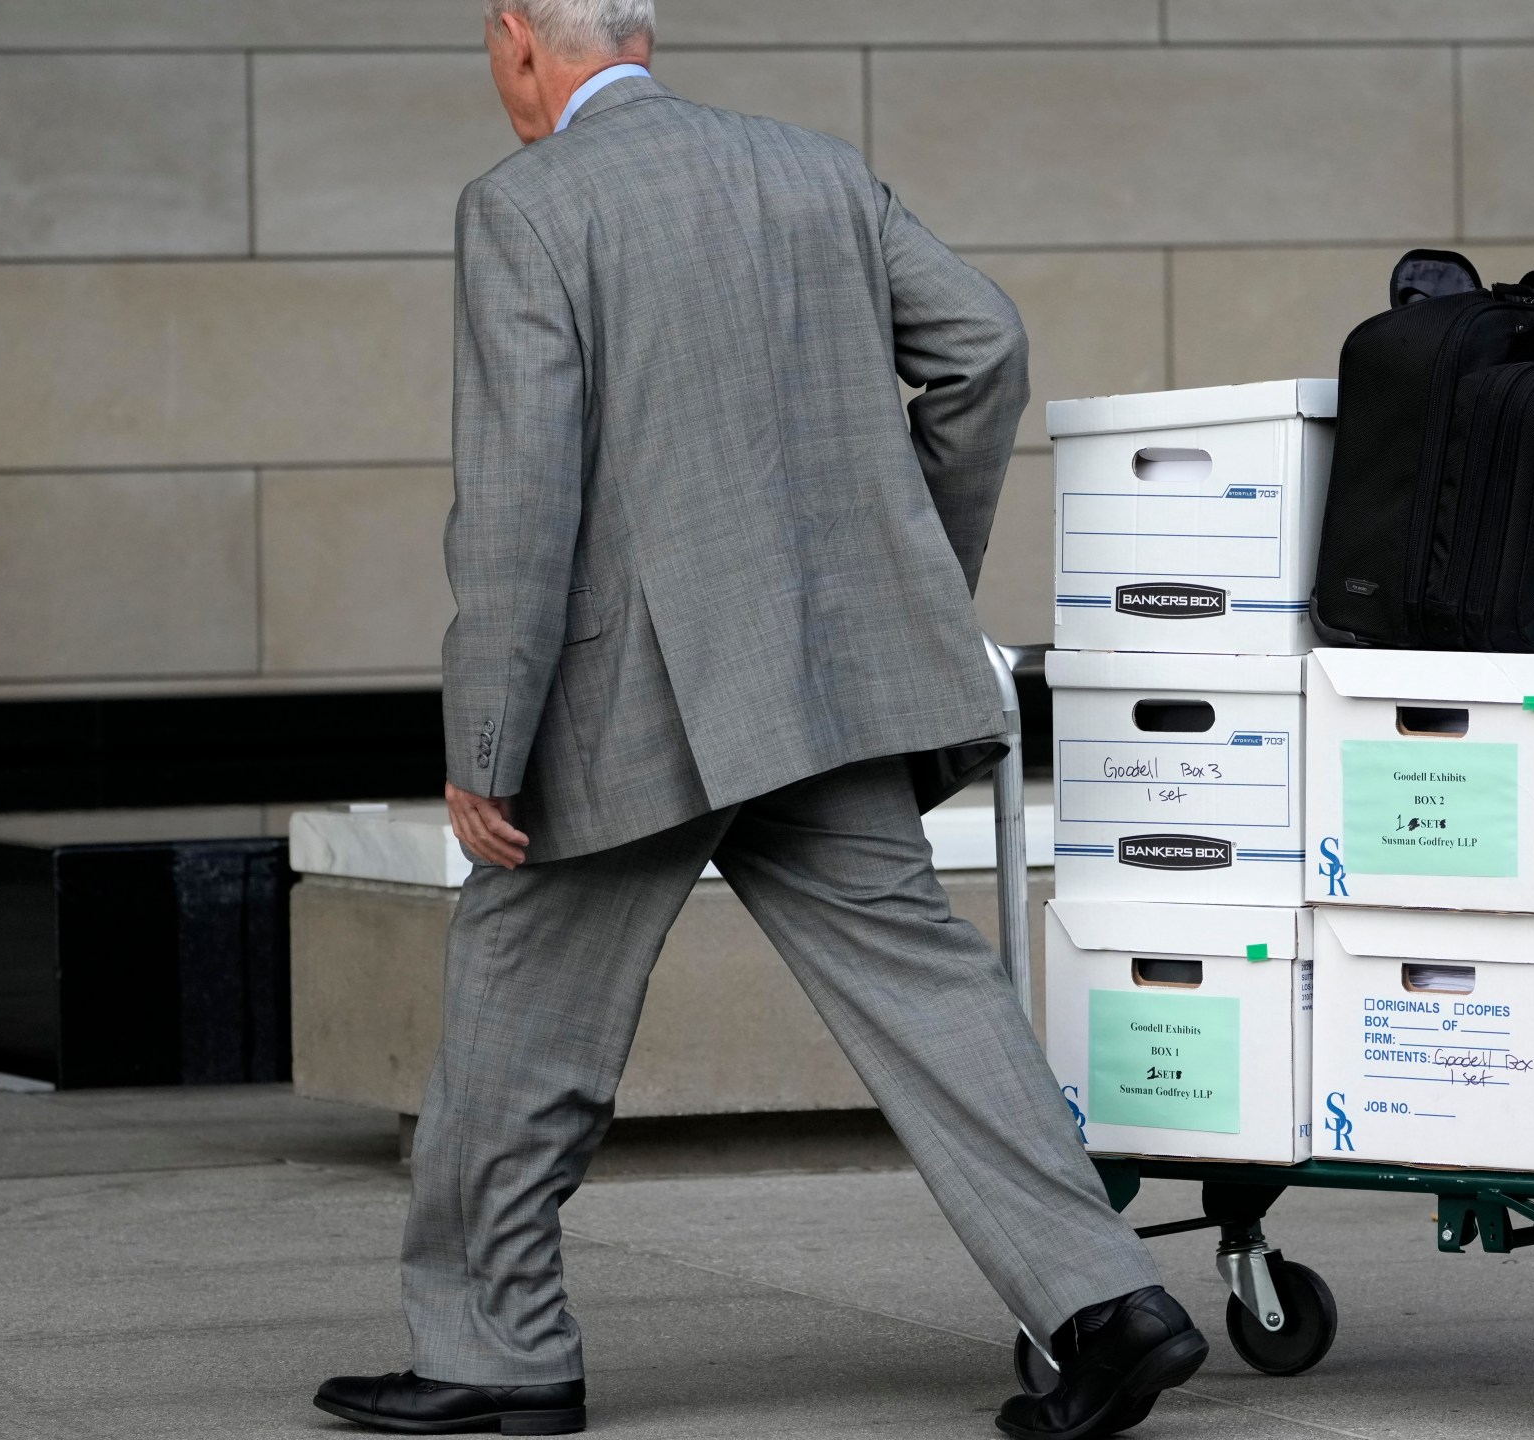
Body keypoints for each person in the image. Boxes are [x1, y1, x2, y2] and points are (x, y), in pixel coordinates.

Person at [311, 2, 1205, 1435]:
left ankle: (499, 1353)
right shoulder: (812, 170)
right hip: (826, 684)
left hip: (631, 704)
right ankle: (1110, 1303)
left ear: (517, 38)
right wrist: (904, 567)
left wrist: (486, 744)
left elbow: (523, 498)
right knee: (925, 986)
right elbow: (983, 348)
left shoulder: (526, 207)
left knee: (513, 1012)